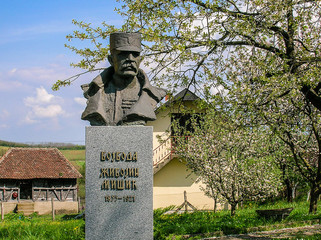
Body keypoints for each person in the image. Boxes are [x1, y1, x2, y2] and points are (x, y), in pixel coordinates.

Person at [81, 32, 166, 126]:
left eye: (135, 54)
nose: (130, 59)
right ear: (111, 60)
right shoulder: (93, 92)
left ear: (140, 60)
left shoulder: (153, 95)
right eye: (123, 54)